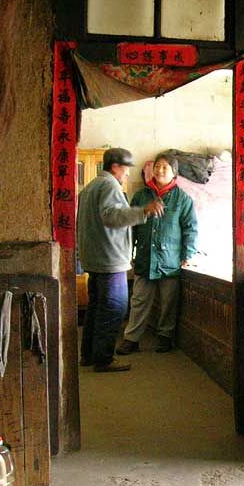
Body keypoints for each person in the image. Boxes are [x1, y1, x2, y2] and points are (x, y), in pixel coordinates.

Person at [77, 147, 163, 372]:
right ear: (115, 167)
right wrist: (143, 211)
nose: (127, 174)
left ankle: (88, 355)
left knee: (96, 309)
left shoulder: (90, 187)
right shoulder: (109, 186)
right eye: (126, 169)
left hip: (95, 259)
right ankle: (104, 360)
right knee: (113, 309)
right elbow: (111, 216)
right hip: (109, 261)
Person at [116, 152, 198, 355]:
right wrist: (128, 251)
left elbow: (191, 229)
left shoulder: (183, 199)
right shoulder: (141, 196)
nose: (160, 170)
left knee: (168, 302)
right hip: (144, 257)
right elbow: (131, 226)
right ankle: (131, 338)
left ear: (174, 173)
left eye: (165, 167)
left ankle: (164, 336)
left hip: (170, 261)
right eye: (157, 167)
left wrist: (188, 254)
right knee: (138, 300)